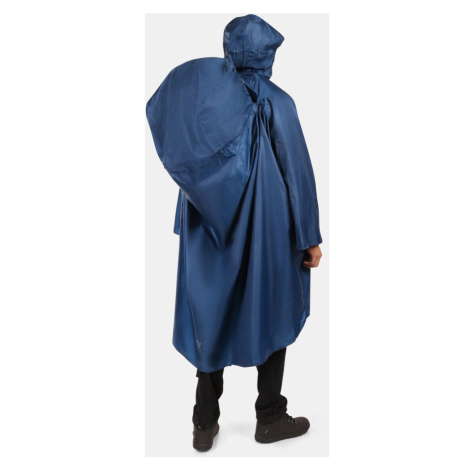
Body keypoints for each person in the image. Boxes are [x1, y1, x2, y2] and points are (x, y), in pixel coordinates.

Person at [146, 14, 323, 452]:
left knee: (211, 314)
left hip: (206, 232)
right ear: (267, 53)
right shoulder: (278, 102)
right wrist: (310, 236)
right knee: (273, 306)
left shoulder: (202, 105)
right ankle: (270, 417)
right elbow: (297, 173)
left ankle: (204, 423)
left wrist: (182, 226)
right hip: (268, 229)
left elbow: (189, 171)